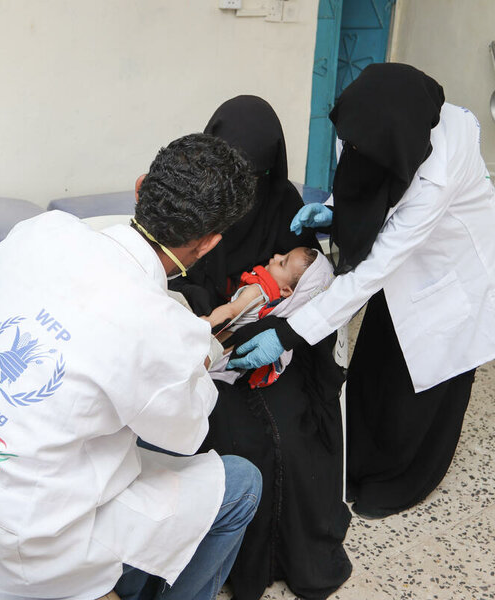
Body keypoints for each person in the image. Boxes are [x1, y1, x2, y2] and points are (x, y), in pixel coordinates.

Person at [0, 133, 262, 600]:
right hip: (20, 562)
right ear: (209, 243)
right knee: (241, 483)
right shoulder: (165, 328)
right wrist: (199, 351)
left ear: (139, 187)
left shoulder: (41, 231)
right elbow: (186, 433)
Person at [229, 63, 495, 519]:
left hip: (451, 269)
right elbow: (368, 175)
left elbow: (374, 268)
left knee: (419, 385)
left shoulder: (439, 170)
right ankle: (359, 461)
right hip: (404, 265)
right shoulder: (371, 125)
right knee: (379, 360)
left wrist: (288, 332)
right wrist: (334, 210)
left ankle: (402, 478)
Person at [172, 95, 353, 600]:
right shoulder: (198, 198)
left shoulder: (285, 205)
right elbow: (182, 279)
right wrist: (220, 310)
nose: (242, 189)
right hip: (209, 340)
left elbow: (312, 282)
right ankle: (233, 560)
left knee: (291, 436)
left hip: (278, 340)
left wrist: (274, 323)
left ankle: (287, 555)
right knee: (234, 433)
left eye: (254, 175)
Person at [202, 246, 320, 338]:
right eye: (284, 254)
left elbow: (231, 311)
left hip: (214, 342)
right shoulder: (275, 304)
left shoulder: (258, 292)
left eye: (282, 263)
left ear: (285, 290)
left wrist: (203, 323)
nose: (277, 256)